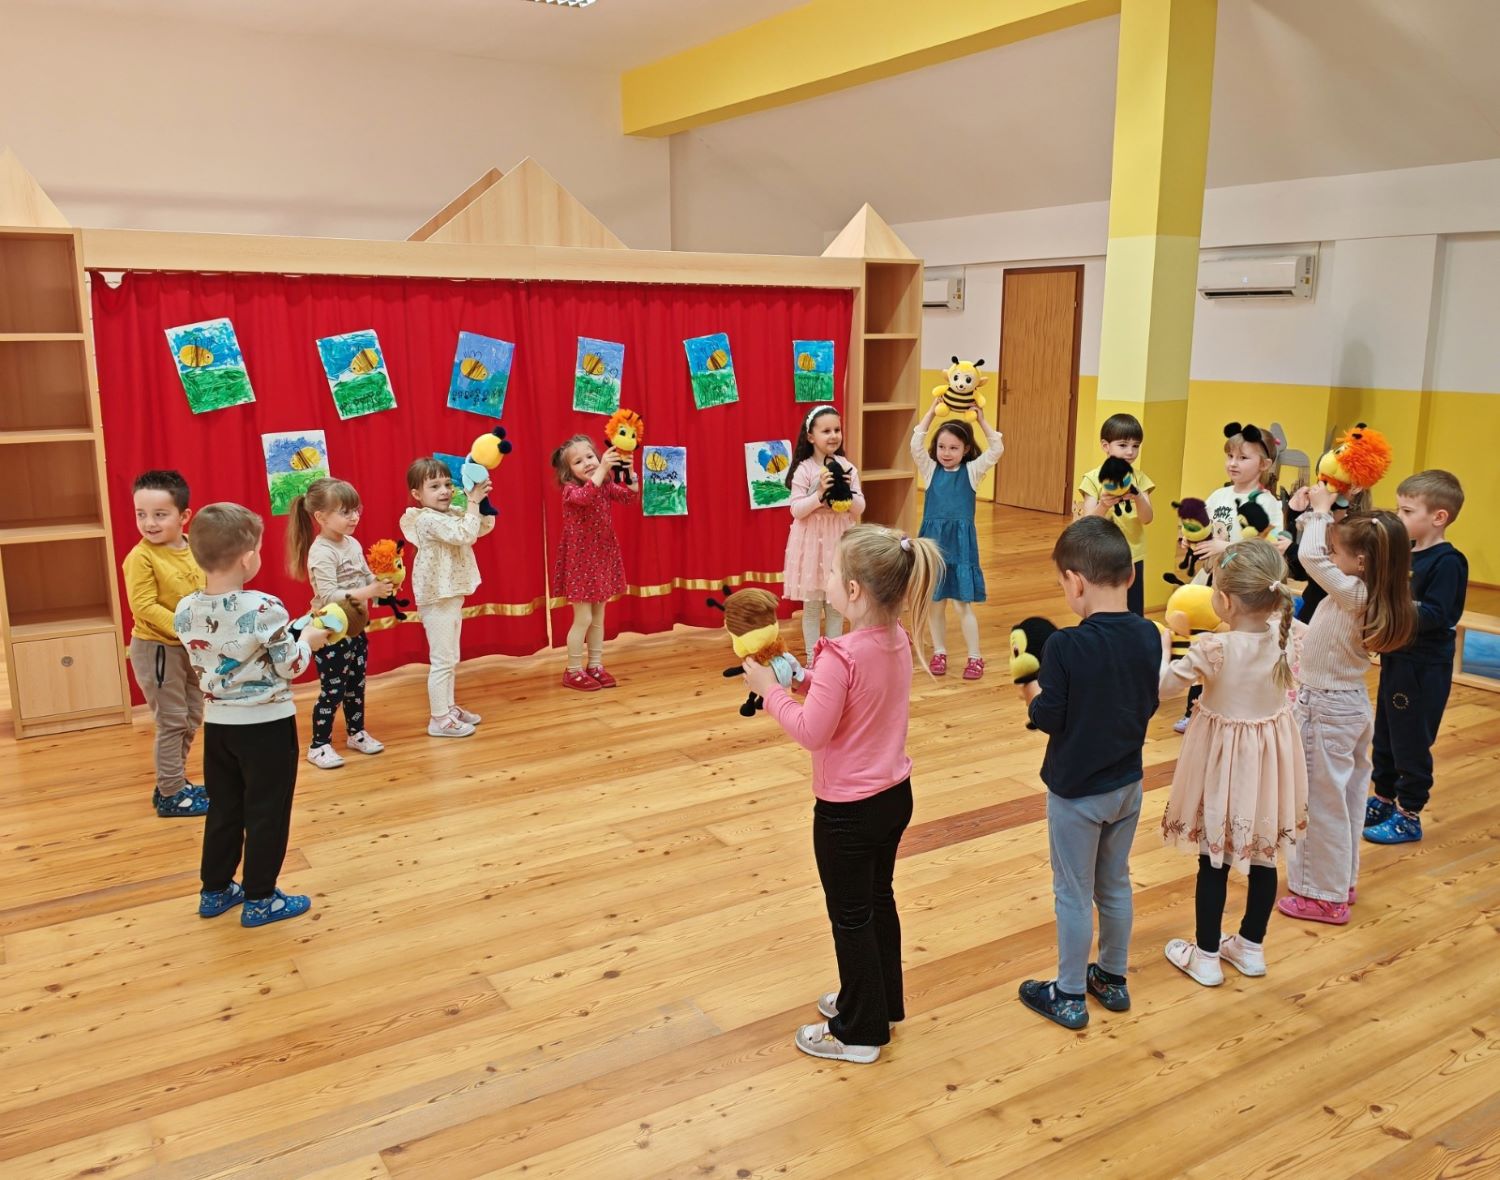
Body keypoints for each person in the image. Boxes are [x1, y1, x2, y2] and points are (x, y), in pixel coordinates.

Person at [743, 524, 942, 1064]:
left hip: (846, 813)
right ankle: (879, 1001)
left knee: (850, 917)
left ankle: (859, 1032)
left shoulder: (841, 653)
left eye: (832, 571)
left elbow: (812, 731)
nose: (826, 578)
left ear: (853, 590)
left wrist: (771, 692)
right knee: (878, 902)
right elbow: (853, 698)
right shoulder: (895, 639)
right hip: (893, 796)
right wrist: (803, 678)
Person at [1017, 517, 1161, 1029]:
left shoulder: (1065, 646)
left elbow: (1048, 717)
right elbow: (1146, 701)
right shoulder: (1149, 633)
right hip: (1128, 784)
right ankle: (1112, 978)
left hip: (1076, 792)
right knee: (1115, 883)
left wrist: (1028, 686)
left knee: (1073, 891)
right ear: (1129, 576)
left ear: (1075, 582)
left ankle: (1069, 993)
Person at [1156, 540, 1309, 985]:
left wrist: (1166, 647)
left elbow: (1164, 688)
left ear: (1223, 600)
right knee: (1264, 858)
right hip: (1270, 765)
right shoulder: (1289, 634)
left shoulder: (1213, 648)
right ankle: (1251, 948)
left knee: (1214, 860)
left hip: (1223, 765)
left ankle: (1205, 956)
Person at [174, 503, 326, 927]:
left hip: (219, 726)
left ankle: (215, 890)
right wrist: (309, 640)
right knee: (267, 811)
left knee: (225, 808)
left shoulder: (185, 608)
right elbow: (291, 666)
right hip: (266, 727)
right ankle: (261, 898)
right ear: (247, 558)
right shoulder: (264, 606)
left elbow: (232, 647)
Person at [1278, 498, 1415, 924]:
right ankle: (1340, 881)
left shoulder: (1355, 592)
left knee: (1320, 806)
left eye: (1337, 552)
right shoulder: (1370, 593)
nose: (1330, 557)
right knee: (1346, 799)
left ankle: (1323, 896)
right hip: (1347, 705)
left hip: (1327, 709)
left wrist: (1322, 511)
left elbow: (1308, 556)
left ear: (1360, 562)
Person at [1364, 470, 1468, 845]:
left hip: (1423, 667)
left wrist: (1391, 613)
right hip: (1397, 658)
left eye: (1407, 511)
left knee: (1410, 739)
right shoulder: (1405, 552)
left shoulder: (1449, 561)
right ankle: (1383, 798)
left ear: (1438, 517)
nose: (1399, 516)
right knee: (1385, 734)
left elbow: (1439, 614)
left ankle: (1409, 814)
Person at [1176, 422, 1288, 734]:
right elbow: (1204, 527)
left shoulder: (1267, 503)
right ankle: (1194, 708)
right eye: (1230, 456)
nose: (1233, 463)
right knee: (1205, 642)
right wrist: (1191, 538)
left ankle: (1229, 706)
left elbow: (1270, 548)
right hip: (1213, 582)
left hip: (1243, 591)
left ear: (1264, 464)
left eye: (1243, 458)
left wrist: (1224, 547)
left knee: (1233, 648)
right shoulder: (1218, 495)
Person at [286, 477, 388, 769]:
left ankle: (356, 733)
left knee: (356, 684)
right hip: (330, 633)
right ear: (321, 517)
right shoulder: (321, 552)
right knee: (333, 690)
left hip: (355, 629)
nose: (354, 517)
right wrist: (368, 591)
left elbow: (364, 576)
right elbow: (329, 595)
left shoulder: (352, 543)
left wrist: (382, 583)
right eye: (345, 512)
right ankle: (319, 746)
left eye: (356, 510)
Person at [124, 469, 208, 817]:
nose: (149, 523)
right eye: (141, 514)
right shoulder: (141, 557)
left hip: (190, 649)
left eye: (160, 514)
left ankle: (173, 782)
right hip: (157, 649)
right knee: (172, 721)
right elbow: (144, 606)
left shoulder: (195, 548)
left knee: (192, 715)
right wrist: (189, 628)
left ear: (184, 516)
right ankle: (171, 793)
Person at [400, 458, 495, 736]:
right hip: (437, 599)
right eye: (434, 486)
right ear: (417, 494)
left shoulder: (451, 512)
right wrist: (472, 503)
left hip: (451, 594)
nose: (444, 491)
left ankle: (449, 707)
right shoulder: (427, 519)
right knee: (442, 660)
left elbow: (481, 528)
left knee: (451, 657)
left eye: (447, 484)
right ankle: (439, 719)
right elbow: (464, 534)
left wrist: (480, 502)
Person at [910, 403, 1004, 678]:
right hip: (933, 547)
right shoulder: (930, 470)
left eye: (953, 448)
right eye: (941, 447)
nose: (946, 453)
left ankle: (975, 657)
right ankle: (939, 651)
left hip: (961, 549)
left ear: (966, 449)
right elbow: (916, 443)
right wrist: (931, 411)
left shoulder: (972, 472)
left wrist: (982, 421)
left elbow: (996, 448)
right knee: (935, 603)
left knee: (963, 605)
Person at [550, 434, 635, 692]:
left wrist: (629, 472)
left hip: (602, 555)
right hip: (580, 561)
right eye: (578, 461)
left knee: (598, 616)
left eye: (590, 456)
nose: (587, 463)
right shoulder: (571, 491)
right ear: (568, 472)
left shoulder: (605, 484)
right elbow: (585, 497)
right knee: (583, 618)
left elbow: (629, 497)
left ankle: (595, 665)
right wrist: (602, 469)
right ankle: (573, 670)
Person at [783, 405, 865, 662]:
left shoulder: (847, 467)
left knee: (836, 605)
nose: (833, 435)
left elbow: (859, 508)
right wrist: (819, 494)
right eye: (826, 431)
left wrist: (848, 492)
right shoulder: (805, 469)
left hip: (838, 542)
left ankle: (833, 657)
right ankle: (812, 658)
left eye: (837, 430)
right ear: (811, 436)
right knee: (812, 607)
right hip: (812, 545)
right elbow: (796, 510)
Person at [1078, 413, 1155, 617]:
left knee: (1133, 609)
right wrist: (1103, 505)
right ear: (1106, 446)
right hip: (1101, 554)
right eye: (1123, 445)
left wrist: (1138, 496)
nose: (1130, 451)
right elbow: (1088, 524)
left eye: (1136, 446)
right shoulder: (1093, 479)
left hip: (1132, 554)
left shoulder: (1140, 479)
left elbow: (1147, 518)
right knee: (1100, 607)